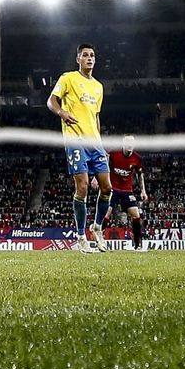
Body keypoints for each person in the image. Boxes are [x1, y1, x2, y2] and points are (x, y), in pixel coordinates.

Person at [47, 43, 112, 253]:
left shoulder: (98, 87)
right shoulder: (68, 78)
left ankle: (97, 227)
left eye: (92, 55)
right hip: (75, 141)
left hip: (95, 143)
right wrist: (62, 113)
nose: (89, 58)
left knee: (107, 188)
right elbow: (51, 101)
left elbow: (96, 116)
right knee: (82, 186)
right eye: (85, 55)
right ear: (78, 59)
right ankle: (81, 236)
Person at [106, 134, 149, 251]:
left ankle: (138, 244)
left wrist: (143, 191)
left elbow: (140, 175)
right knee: (106, 213)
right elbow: (103, 161)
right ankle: (99, 241)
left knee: (136, 215)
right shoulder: (114, 153)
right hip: (113, 188)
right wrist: (96, 178)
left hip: (127, 190)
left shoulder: (137, 158)